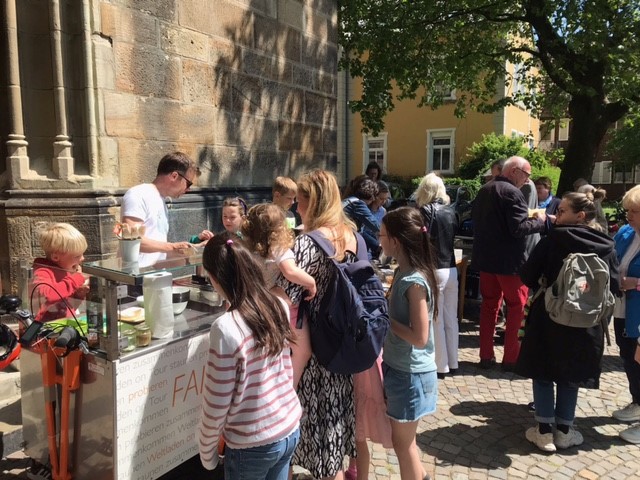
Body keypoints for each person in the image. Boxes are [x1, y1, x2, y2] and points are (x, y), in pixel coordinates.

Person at [516, 192, 619, 452]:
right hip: (587, 320)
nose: (556, 215)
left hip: (549, 315)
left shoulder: (552, 240)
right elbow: (614, 286)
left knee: (542, 370)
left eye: (561, 211)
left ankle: (542, 431)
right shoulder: (606, 244)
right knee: (570, 373)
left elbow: (528, 276)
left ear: (580, 215)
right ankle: (564, 430)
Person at [197, 233, 302, 479]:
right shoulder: (278, 305)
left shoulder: (225, 328)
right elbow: (286, 370)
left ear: (214, 278)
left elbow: (216, 402)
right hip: (288, 427)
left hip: (251, 443)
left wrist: (207, 452)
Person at [280, 169, 357, 480]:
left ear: (313, 203)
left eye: (300, 202)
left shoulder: (308, 244)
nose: (297, 208)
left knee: (317, 440)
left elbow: (287, 298)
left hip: (312, 354)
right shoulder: (352, 236)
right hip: (342, 348)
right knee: (333, 440)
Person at [379, 207, 439, 480]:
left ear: (396, 241)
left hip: (410, 373)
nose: (378, 240)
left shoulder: (414, 281)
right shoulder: (405, 272)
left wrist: (384, 319)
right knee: (406, 442)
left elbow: (420, 336)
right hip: (401, 368)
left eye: (382, 235)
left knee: (403, 445)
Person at [471, 156, 547, 370]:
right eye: (526, 174)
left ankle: (486, 356)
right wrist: (539, 222)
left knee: (488, 307)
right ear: (514, 171)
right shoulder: (512, 193)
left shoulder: (485, 189)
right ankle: (511, 359)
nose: (528, 180)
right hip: (509, 264)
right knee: (516, 307)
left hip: (486, 261)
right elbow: (518, 229)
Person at [241, 203, 316, 387]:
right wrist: (311, 282)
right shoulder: (278, 247)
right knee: (303, 351)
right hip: (281, 306)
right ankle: (289, 389)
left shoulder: (248, 249)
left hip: (257, 305)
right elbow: (290, 271)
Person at [414, 173, 459, 379]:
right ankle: (453, 361)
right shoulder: (451, 211)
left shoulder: (423, 211)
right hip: (451, 268)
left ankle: (441, 365)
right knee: (451, 317)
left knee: (437, 319)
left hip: (434, 268)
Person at [121, 151, 200, 265]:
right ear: (174, 176)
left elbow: (157, 251)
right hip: (135, 278)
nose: (188, 190)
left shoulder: (160, 200)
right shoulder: (138, 194)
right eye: (188, 184)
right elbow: (132, 240)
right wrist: (171, 247)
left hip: (154, 277)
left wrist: (194, 248)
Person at [611, 185, 640, 443]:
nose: (628, 215)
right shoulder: (625, 233)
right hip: (622, 309)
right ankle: (637, 402)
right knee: (629, 358)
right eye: (627, 210)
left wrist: (637, 283)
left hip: (638, 311)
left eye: (635, 211)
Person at [31, 223, 89, 323]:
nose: (82, 258)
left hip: (65, 325)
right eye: (77, 256)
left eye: (82, 254)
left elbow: (68, 307)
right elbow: (49, 296)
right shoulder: (42, 272)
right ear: (55, 257)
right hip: (48, 330)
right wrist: (76, 279)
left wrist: (78, 295)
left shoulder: (66, 269)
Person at [343, 175, 381, 257]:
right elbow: (373, 223)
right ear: (370, 194)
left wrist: (376, 245)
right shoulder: (357, 204)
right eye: (374, 195)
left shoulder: (349, 200)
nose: (374, 199)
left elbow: (362, 232)